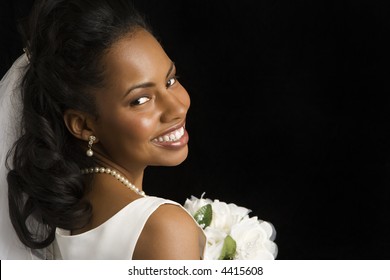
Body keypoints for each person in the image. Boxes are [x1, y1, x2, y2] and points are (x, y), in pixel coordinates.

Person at [0, 0, 206, 259]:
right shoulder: (165, 228)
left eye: (170, 80)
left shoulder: (69, 216)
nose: (176, 107)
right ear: (83, 124)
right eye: (140, 100)